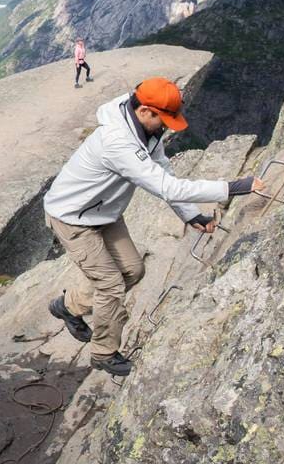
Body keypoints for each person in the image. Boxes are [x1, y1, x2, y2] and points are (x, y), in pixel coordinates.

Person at [43, 77, 265, 376]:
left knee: (133, 270)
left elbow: (164, 171)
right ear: (146, 110)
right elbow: (166, 187)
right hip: (72, 217)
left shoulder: (148, 129)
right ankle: (103, 352)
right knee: (110, 285)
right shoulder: (117, 142)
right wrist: (234, 187)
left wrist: (191, 216)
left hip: (103, 213)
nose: (167, 127)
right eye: (164, 119)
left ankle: (68, 307)